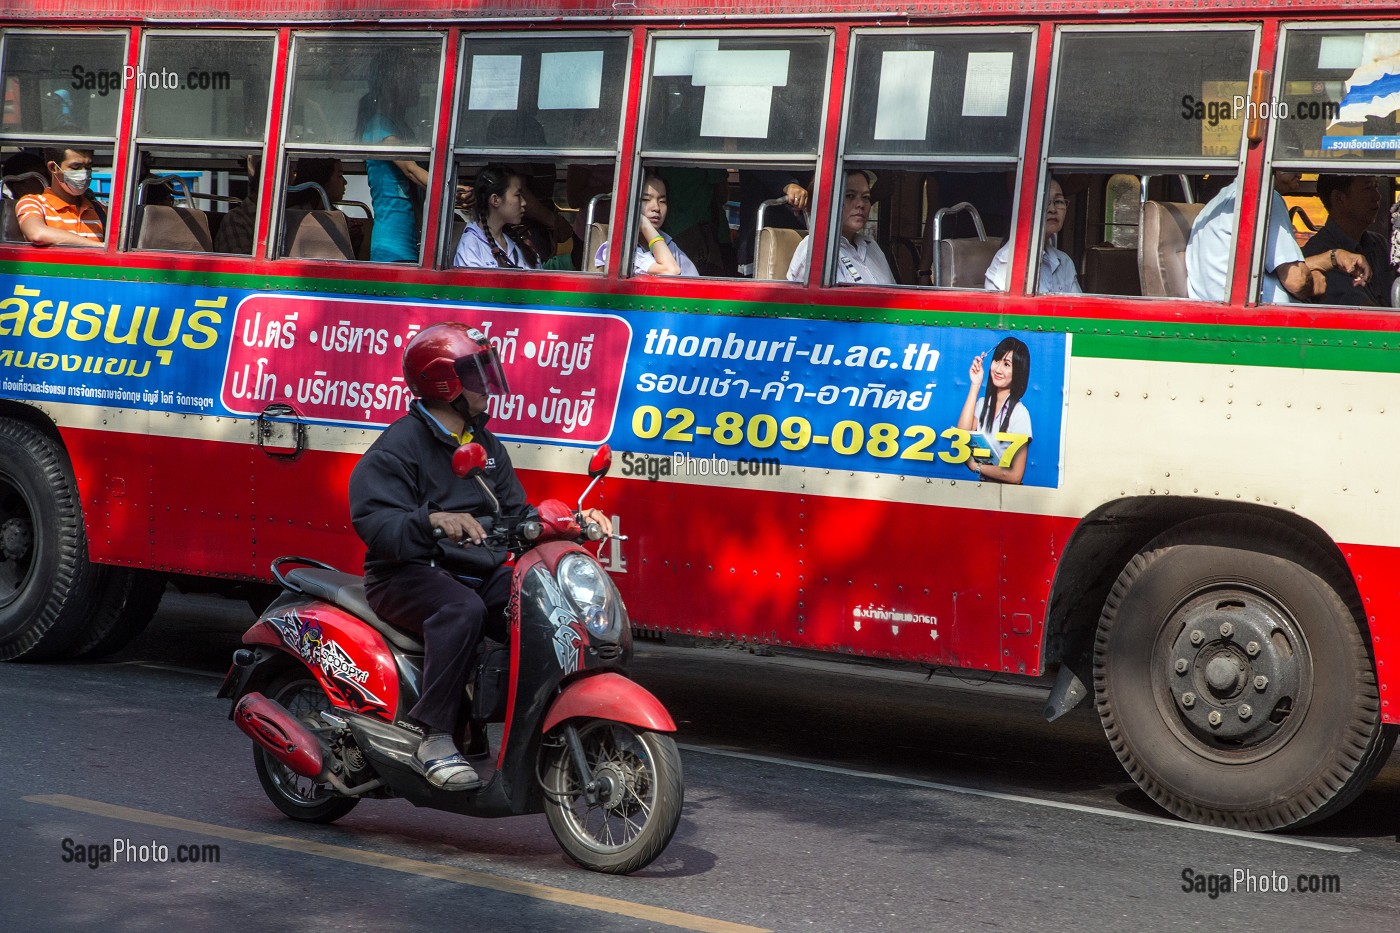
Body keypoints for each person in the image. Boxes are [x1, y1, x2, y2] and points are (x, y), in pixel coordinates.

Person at [348, 323, 611, 789]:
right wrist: (431, 520)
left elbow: (516, 513)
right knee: (462, 610)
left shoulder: (484, 444)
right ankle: (433, 735)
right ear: (443, 383)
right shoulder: (399, 446)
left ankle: (541, 724)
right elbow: (376, 523)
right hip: (405, 575)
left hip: (476, 572)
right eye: (476, 374)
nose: (488, 384)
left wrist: (573, 519)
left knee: (542, 604)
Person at [1186, 172, 1370, 303]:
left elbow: (1278, 269)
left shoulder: (1218, 202)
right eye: (1291, 160)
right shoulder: (1264, 198)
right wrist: (1313, 281)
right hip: (1262, 326)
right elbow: (1296, 281)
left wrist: (1334, 257)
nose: (1300, 171)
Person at [356, 64, 429, 263]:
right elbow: (411, 170)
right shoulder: (379, 127)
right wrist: (451, 191)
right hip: (393, 246)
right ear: (391, 85)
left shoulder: (401, 127)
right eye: (412, 78)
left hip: (411, 238)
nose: (418, 85)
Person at [787, 169, 894, 285]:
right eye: (850, 196)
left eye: (866, 197)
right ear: (827, 201)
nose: (861, 204)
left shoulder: (871, 246)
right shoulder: (816, 248)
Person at [1302, 175, 1394, 307]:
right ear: (1339, 198)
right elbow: (1362, 310)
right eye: (1367, 188)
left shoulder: (1379, 244)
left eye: (1376, 187)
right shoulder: (1318, 254)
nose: (1377, 196)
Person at [957, 336, 1032, 485]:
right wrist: (975, 385)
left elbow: (1015, 475)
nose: (998, 369)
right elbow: (961, 436)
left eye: (1006, 364)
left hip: (1008, 494)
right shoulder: (982, 404)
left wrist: (976, 467)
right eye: (997, 360)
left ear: (1018, 372)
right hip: (984, 489)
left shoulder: (1020, 414)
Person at [984, 178, 1080, 294]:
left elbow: (1079, 303)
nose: (1052, 209)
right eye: (1044, 201)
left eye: (1059, 201)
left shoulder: (1065, 261)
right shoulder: (1009, 262)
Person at [594, 173, 698, 276]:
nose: (656, 208)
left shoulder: (669, 244)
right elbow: (671, 270)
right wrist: (645, 225)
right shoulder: (619, 250)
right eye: (645, 199)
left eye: (662, 201)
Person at [452, 164, 543, 270]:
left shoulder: (519, 245)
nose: (523, 203)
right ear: (495, 200)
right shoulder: (471, 245)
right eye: (518, 195)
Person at [14, 147, 105, 248]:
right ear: (53, 167)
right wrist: (99, 246)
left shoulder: (100, 210)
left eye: (88, 167)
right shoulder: (33, 203)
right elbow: (37, 233)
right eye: (75, 167)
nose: (84, 174)